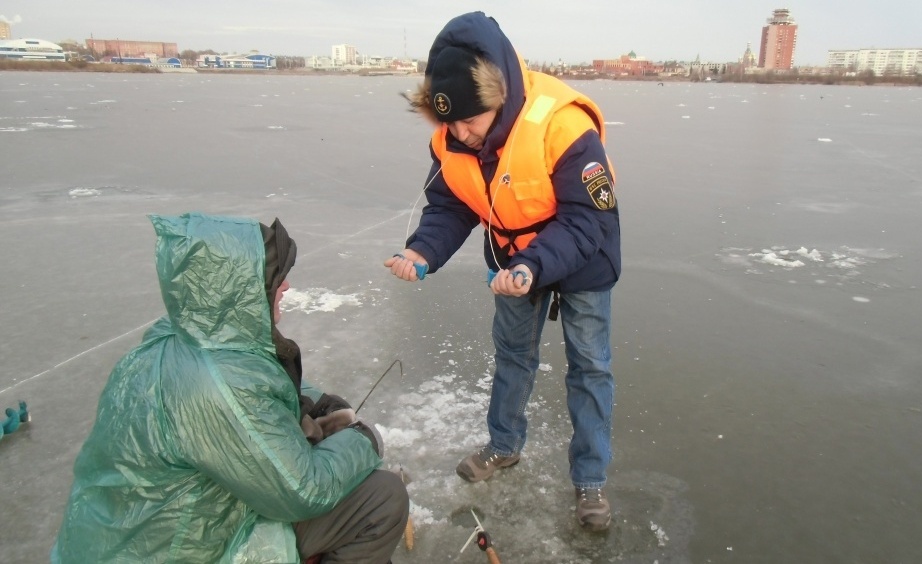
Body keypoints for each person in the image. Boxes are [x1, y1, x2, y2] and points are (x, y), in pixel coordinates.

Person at [53, 212, 408, 563]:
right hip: (176, 550)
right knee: (382, 497)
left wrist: (317, 401)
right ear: (239, 291)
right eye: (275, 279)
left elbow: (256, 376)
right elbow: (304, 491)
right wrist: (361, 438)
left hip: (122, 537)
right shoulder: (216, 385)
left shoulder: (184, 334)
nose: (285, 286)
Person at [384, 12, 620, 532]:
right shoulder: (452, 137)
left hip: (581, 257)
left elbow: (588, 219)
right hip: (512, 262)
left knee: (590, 369)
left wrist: (533, 265)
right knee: (513, 356)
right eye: (450, 123)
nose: (461, 134)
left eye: (471, 121)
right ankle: (504, 446)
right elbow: (450, 204)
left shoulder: (564, 124)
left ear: (499, 98)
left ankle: (590, 481)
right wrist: (422, 251)